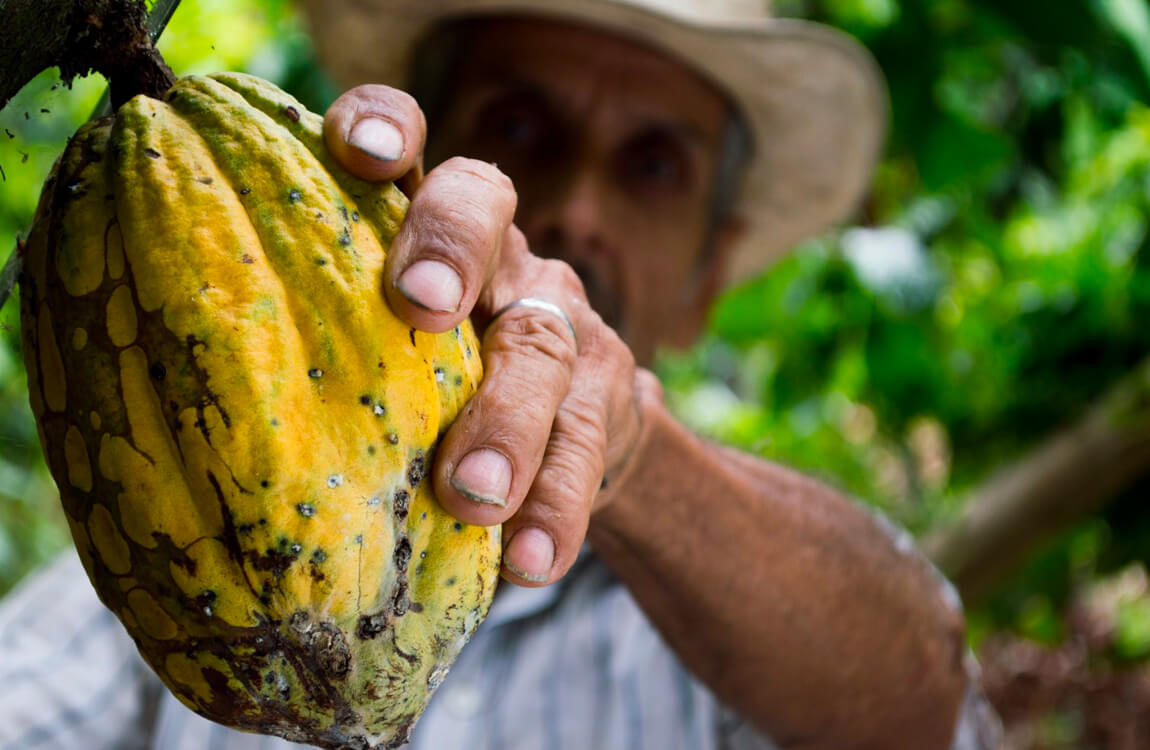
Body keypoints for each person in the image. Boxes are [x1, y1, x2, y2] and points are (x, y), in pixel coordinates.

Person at [0, 1, 1002, 748]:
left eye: (653, 165)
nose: (574, 208)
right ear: (400, 165)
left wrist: (629, 452)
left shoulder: (738, 638)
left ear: (709, 275)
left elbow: (919, 696)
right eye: (520, 129)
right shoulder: (170, 537)